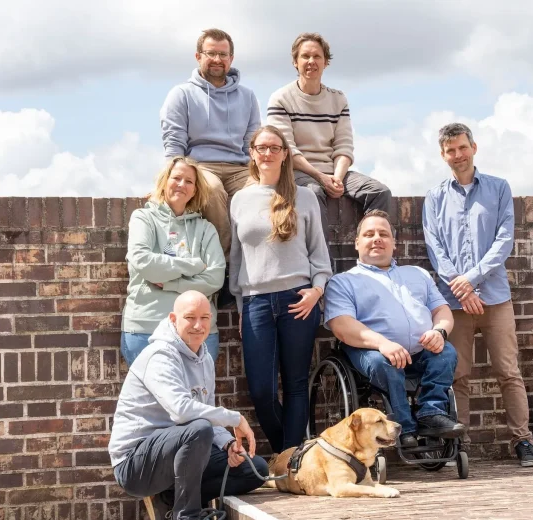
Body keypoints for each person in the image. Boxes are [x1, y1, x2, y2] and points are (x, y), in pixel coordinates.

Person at [422, 122, 533, 467]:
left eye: (462, 148)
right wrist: (460, 288)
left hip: (494, 298)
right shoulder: (434, 198)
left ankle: (523, 442)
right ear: (442, 155)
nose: (457, 155)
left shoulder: (499, 188)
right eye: (450, 151)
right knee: (457, 376)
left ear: (474, 147)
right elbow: (435, 248)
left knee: (509, 371)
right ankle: (460, 447)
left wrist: (470, 281)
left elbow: (504, 242)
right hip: (455, 304)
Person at [109, 291, 267, 520]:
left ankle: (169, 499)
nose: (198, 325)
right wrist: (234, 418)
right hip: (135, 464)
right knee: (199, 429)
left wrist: (227, 444)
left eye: (205, 317)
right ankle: (183, 519)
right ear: (173, 319)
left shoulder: (203, 357)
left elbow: (204, 412)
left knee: (254, 468)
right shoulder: (160, 355)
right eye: (190, 317)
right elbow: (182, 411)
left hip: (183, 448)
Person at [229, 125, 332, 454]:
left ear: (286, 154)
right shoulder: (240, 200)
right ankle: (290, 454)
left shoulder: (305, 197)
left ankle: (291, 463)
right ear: (253, 154)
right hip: (256, 303)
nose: (268, 153)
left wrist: (317, 291)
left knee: (296, 384)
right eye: (262, 148)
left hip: (298, 300)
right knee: (260, 390)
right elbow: (236, 259)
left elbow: (319, 254)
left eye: (275, 148)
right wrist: (241, 307)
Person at [324, 210, 463, 448]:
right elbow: (341, 325)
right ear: (357, 243)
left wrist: (439, 332)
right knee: (383, 362)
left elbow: (442, 311)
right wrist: (383, 344)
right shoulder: (344, 281)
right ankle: (403, 426)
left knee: (447, 352)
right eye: (369, 234)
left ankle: (431, 413)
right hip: (371, 352)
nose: (377, 238)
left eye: (383, 234)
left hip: (420, 351)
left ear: (394, 243)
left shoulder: (418, 274)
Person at [267, 32, 391, 239]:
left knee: (380, 192)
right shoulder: (281, 99)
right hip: (299, 171)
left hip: (334, 171)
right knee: (313, 194)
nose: (311, 61)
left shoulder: (338, 99)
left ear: (326, 62)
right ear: (295, 62)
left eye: (317, 56)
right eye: (305, 56)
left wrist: (337, 178)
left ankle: (371, 255)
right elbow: (287, 150)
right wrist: (321, 178)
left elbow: (344, 146)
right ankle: (324, 266)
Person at [160, 28, 261, 259]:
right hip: (200, 166)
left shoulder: (247, 96)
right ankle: (224, 265)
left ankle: (257, 264)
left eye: (223, 55)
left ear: (231, 59)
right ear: (198, 57)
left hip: (240, 168)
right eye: (211, 53)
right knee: (213, 191)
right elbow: (173, 142)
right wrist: (168, 179)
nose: (217, 59)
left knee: (263, 192)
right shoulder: (181, 94)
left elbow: (251, 143)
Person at [121, 156, 224, 365]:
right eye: (176, 178)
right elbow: (143, 262)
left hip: (199, 334)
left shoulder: (205, 229)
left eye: (189, 181)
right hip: (145, 329)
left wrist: (171, 283)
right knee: (151, 398)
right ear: (164, 181)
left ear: (195, 190)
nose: (181, 185)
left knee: (195, 397)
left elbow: (215, 278)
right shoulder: (143, 218)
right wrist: (193, 265)